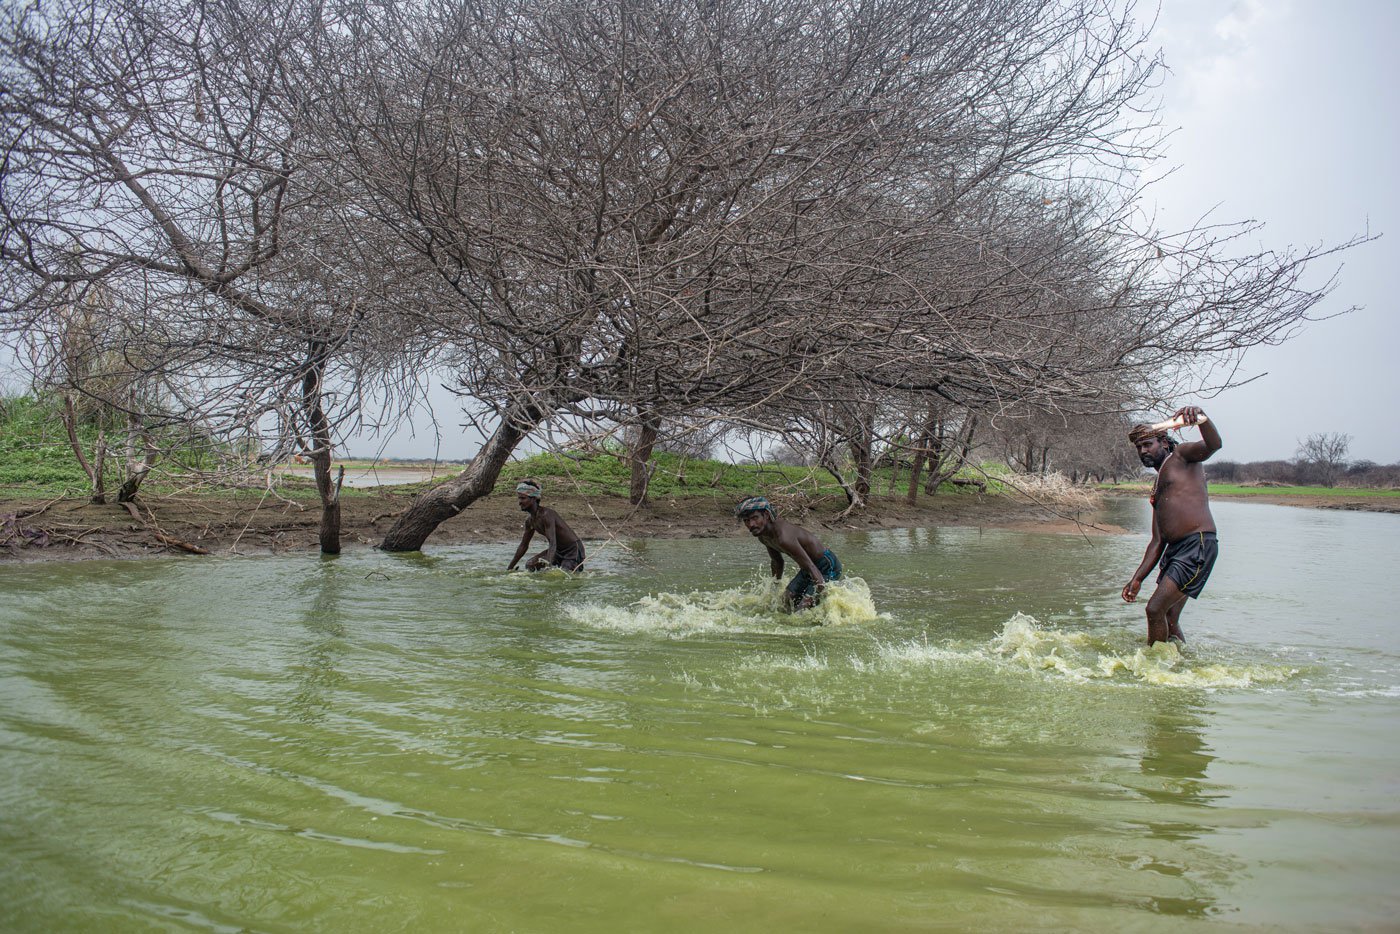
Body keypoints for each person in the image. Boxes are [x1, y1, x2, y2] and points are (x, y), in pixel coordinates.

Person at [1121, 406, 1222, 646]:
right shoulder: (1157, 486)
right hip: (1175, 551)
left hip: (1196, 545)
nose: (1143, 451)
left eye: (1148, 445)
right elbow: (1157, 541)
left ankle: (1153, 665)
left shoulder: (1181, 456)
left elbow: (1213, 444)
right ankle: (1178, 667)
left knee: (1154, 609)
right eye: (1139, 447)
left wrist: (1201, 419)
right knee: (1169, 617)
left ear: (1164, 443)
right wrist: (1137, 579)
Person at [735, 496, 842, 611]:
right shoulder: (763, 537)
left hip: (826, 565)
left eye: (755, 518)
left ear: (766, 515)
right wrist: (773, 590)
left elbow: (811, 567)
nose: (751, 524)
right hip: (808, 568)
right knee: (786, 601)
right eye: (746, 521)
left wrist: (825, 599)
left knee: (803, 609)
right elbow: (777, 562)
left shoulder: (783, 537)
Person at [508, 479, 586, 572]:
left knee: (565, 574)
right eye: (519, 498)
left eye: (523, 498)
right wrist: (510, 568)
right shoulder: (529, 521)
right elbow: (523, 546)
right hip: (557, 550)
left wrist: (548, 566)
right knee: (530, 565)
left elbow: (552, 542)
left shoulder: (546, 515)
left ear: (533, 499)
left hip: (572, 549)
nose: (519, 502)